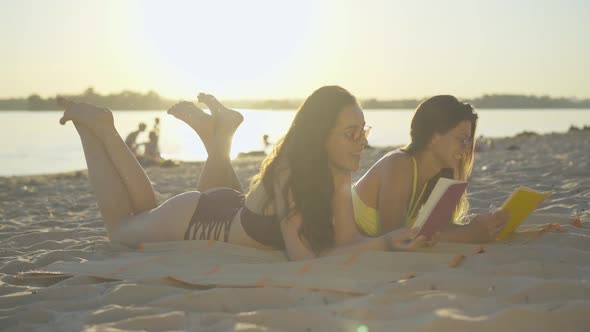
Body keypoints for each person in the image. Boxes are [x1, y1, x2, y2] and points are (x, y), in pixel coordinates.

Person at [57, 86, 432, 261]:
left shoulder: (338, 172)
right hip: (200, 221)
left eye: (363, 132)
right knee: (121, 227)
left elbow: (346, 238)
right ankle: (97, 130)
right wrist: (381, 243)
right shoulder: (292, 175)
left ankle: (217, 134)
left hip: (225, 208)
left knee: (145, 208)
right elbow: (303, 256)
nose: (360, 143)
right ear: (321, 135)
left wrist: (390, 240)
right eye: (351, 133)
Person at [353, 95, 509, 243]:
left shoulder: (439, 176)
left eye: (469, 140)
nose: (468, 148)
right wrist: (470, 233)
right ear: (434, 137)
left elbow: (439, 231)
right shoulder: (399, 164)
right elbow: (394, 238)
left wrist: (485, 226)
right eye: (462, 139)